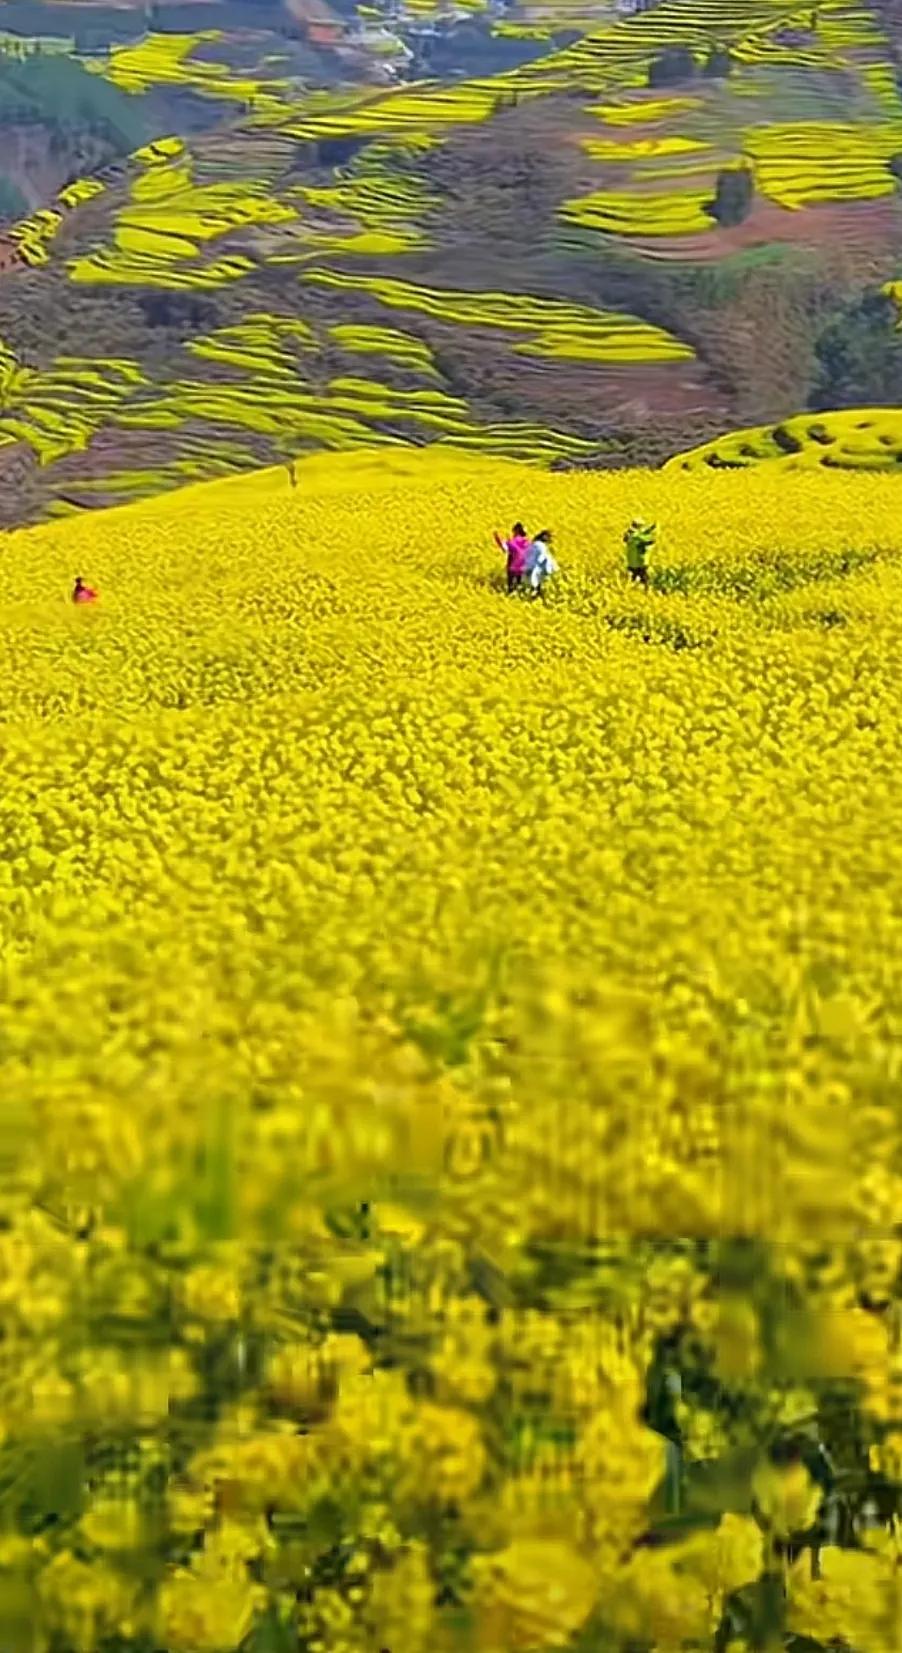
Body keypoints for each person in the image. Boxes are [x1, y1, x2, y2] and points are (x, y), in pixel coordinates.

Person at [494, 522, 530, 594]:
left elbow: (504, 548)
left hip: (513, 569)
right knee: (520, 589)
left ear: (516, 531)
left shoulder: (513, 542)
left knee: (511, 589)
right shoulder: (527, 542)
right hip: (524, 569)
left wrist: (497, 538)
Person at [526, 529, 558, 598]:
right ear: (544, 537)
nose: (550, 539)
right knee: (536, 586)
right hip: (538, 569)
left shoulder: (536, 544)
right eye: (549, 537)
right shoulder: (540, 545)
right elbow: (543, 557)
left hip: (534, 568)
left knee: (535, 586)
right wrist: (554, 567)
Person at [624, 519, 656, 588]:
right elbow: (651, 540)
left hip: (631, 564)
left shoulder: (630, 534)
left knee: (632, 583)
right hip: (640, 564)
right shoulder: (637, 537)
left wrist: (650, 529)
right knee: (646, 584)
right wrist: (653, 534)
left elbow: (642, 533)